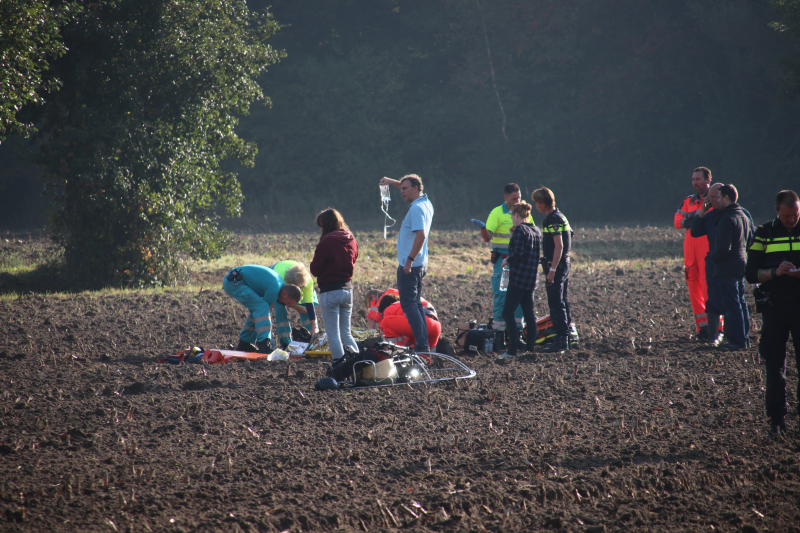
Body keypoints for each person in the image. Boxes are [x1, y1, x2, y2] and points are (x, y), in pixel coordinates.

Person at [745, 190, 800, 435]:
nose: (792, 220)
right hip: (775, 308)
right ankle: (777, 419)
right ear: (777, 211)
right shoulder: (763, 233)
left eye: (796, 215)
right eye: (787, 216)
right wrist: (775, 272)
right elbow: (750, 274)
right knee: (775, 365)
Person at [475, 183, 535, 349]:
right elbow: (487, 237)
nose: (518, 201)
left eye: (519, 198)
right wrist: (483, 228)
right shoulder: (496, 213)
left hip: (520, 260)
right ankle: (500, 335)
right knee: (501, 295)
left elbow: (532, 232)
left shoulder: (524, 212)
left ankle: (517, 334)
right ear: (505, 198)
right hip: (502, 259)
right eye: (514, 199)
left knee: (520, 297)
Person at [379, 174, 434, 352]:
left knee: (409, 305)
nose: (401, 192)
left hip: (411, 265)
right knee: (415, 304)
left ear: (415, 189)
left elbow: (421, 236)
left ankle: (422, 346)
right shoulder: (425, 202)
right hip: (419, 263)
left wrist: (409, 261)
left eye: (405, 189)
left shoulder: (417, 209)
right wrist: (391, 182)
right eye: (401, 188)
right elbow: (408, 186)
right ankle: (423, 344)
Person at [310, 208, 360, 361]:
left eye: (322, 226)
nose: (321, 229)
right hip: (348, 290)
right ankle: (359, 363)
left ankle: (339, 366)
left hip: (330, 291)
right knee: (346, 334)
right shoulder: (352, 240)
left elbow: (315, 270)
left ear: (327, 225)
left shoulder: (326, 242)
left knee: (333, 335)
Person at [707, 184, 752, 351]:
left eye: (719, 197)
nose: (716, 200)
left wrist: (713, 257)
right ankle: (744, 338)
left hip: (727, 267)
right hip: (741, 264)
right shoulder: (743, 215)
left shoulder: (727, 218)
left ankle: (737, 341)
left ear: (726, 198)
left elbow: (723, 247)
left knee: (732, 306)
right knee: (741, 303)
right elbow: (750, 240)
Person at [222, 265, 302, 353]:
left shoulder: (279, 284)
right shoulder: (274, 289)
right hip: (234, 282)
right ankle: (264, 344)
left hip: (235, 279)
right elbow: (265, 312)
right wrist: (269, 342)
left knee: (259, 310)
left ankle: (245, 343)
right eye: (289, 302)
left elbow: (260, 314)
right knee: (262, 308)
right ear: (285, 294)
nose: (287, 305)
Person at [533, 187, 574, 353]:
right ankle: (567, 338)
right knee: (562, 301)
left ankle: (561, 341)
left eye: (537, 203)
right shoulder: (561, 216)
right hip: (564, 263)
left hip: (557, 266)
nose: (536, 206)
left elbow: (559, 246)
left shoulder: (553, 220)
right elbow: (570, 236)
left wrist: (552, 269)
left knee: (556, 304)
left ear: (543, 203)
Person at [674, 167, 713, 340]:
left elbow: (709, 219)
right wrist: (696, 217)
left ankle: (716, 328)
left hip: (706, 253)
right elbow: (677, 221)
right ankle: (703, 329)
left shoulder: (713, 200)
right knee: (694, 292)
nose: (695, 183)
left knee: (708, 290)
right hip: (690, 255)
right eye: (693, 180)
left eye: (698, 179)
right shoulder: (687, 201)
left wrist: (690, 218)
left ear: (708, 180)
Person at [499, 201, 541, 358]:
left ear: (516, 215)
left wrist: (507, 260)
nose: (512, 221)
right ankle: (529, 349)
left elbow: (517, 253)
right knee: (529, 315)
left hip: (518, 279)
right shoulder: (536, 231)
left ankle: (512, 350)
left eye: (512, 218)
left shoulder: (519, 231)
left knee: (507, 313)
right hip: (531, 279)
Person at [270, 260, 318, 346]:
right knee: (280, 308)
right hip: (277, 272)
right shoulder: (280, 280)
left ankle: (313, 339)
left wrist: (314, 326)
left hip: (295, 274)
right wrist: (297, 307)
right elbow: (280, 299)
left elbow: (310, 303)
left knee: (306, 308)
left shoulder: (307, 281)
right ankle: (286, 343)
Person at [377, 292, 442, 350]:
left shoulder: (387, 310)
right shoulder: (403, 305)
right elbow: (413, 335)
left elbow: (384, 332)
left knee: (386, 322)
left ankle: (397, 352)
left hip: (423, 323)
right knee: (424, 354)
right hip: (436, 326)